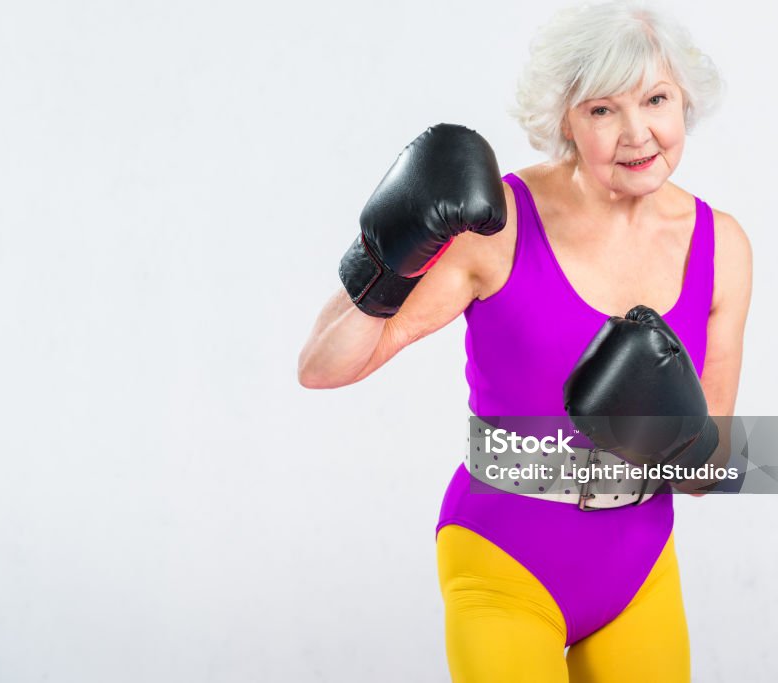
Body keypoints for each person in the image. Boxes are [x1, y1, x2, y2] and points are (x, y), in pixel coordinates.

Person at [298, 2, 752, 680]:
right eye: (602, 109)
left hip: (636, 567)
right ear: (564, 119)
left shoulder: (723, 247)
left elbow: (708, 471)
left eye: (656, 99)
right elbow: (324, 367)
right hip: (504, 556)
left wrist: (677, 435)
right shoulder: (500, 226)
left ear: (684, 98)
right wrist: (386, 253)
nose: (638, 133)